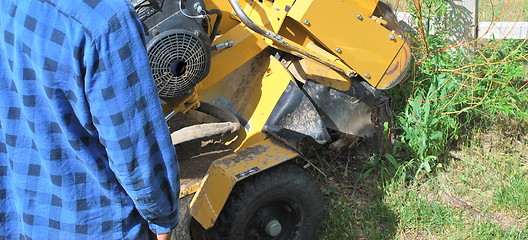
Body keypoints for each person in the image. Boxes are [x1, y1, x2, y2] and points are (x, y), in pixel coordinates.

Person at [0, 0, 180, 239]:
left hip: (22, 214)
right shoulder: (103, 21)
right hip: (93, 225)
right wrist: (162, 218)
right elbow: (136, 152)